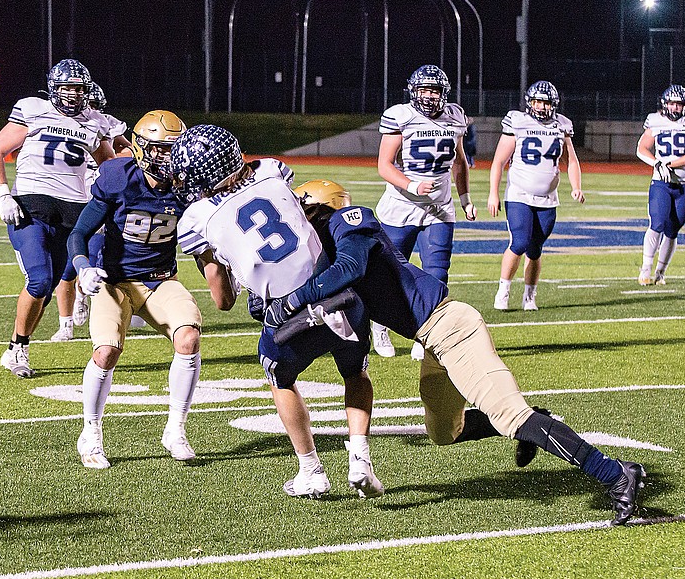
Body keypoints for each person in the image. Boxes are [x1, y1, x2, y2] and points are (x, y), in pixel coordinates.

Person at [266, 179, 646, 526]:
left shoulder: (352, 219)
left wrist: (297, 297)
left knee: (512, 415)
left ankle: (615, 474)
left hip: (452, 326)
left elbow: (350, 268)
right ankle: (533, 425)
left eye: (308, 212)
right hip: (431, 341)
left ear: (323, 209)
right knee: (445, 431)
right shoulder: (326, 250)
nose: (303, 224)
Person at [172, 125, 382, 499]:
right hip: (337, 294)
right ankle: (360, 460)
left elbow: (223, 300)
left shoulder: (195, 218)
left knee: (280, 378)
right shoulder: (271, 168)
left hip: (288, 315)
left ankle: (311, 469)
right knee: (355, 371)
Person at [67, 110, 213, 469]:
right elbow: (79, 234)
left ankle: (175, 429)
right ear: (141, 147)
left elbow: (205, 236)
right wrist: (83, 268)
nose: (168, 157)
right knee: (105, 352)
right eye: (160, 149)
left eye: (173, 149)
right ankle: (91, 432)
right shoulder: (119, 178)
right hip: (113, 280)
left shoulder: (187, 187)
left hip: (159, 278)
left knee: (189, 338)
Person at [0, 58, 115, 378]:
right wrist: (3, 193)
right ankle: (17, 349)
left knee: (52, 283)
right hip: (30, 207)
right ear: (54, 89)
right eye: (67, 87)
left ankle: (18, 343)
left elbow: (111, 168)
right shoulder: (32, 108)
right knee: (41, 279)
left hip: (72, 214)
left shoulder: (94, 122)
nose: (73, 94)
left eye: (79, 88)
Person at [373, 64, 476, 361]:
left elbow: (459, 163)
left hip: (439, 207)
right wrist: (412, 184)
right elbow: (384, 165)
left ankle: (426, 332)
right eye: (424, 90)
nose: (430, 96)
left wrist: (466, 199)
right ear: (413, 91)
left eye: (435, 90)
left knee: (437, 272)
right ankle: (381, 325)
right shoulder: (400, 116)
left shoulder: (455, 117)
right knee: (390, 271)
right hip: (401, 206)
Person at [488, 80, 585, 311]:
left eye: (546, 102)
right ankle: (504, 290)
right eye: (537, 102)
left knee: (535, 249)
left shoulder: (562, 125)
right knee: (519, 242)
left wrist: (576, 186)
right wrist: (493, 193)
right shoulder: (518, 121)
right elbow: (499, 161)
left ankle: (529, 295)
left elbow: (571, 159)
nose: (541, 107)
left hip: (548, 199)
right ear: (530, 102)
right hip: (519, 194)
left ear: (554, 104)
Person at [54, 82, 134, 337]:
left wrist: (116, 163)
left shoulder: (107, 124)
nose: (91, 111)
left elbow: (130, 150)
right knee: (66, 265)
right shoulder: (63, 123)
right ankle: (65, 323)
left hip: (100, 194)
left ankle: (92, 297)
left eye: (95, 106)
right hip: (74, 195)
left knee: (101, 253)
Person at [635, 84, 685, 286]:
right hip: (661, 182)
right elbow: (642, 148)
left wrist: (669, 164)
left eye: (679, 104)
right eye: (672, 104)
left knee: (673, 229)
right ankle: (646, 268)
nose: (675, 108)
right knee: (657, 223)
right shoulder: (655, 120)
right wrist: (657, 163)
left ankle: (660, 272)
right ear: (665, 104)